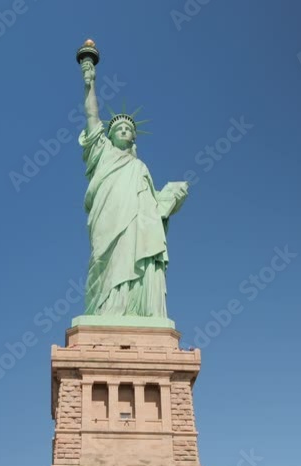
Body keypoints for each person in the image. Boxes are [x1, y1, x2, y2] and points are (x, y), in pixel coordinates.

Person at [77, 55, 189, 318]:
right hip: (108, 217)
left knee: (134, 252)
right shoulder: (102, 152)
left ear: (134, 137)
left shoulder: (140, 167)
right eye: (119, 128)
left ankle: (134, 308)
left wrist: (170, 198)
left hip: (138, 224)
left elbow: (151, 204)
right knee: (106, 259)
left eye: (129, 128)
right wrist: (89, 83)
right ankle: (106, 308)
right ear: (109, 135)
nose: (124, 131)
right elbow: (92, 115)